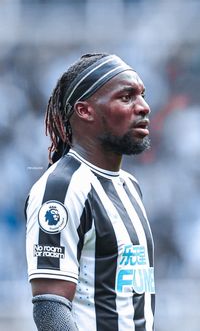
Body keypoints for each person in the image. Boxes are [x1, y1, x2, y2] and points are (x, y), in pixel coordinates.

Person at [25, 53, 156, 331]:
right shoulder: (61, 189)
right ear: (85, 111)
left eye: (142, 95)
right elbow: (50, 309)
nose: (144, 107)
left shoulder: (129, 186)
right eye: (126, 97)